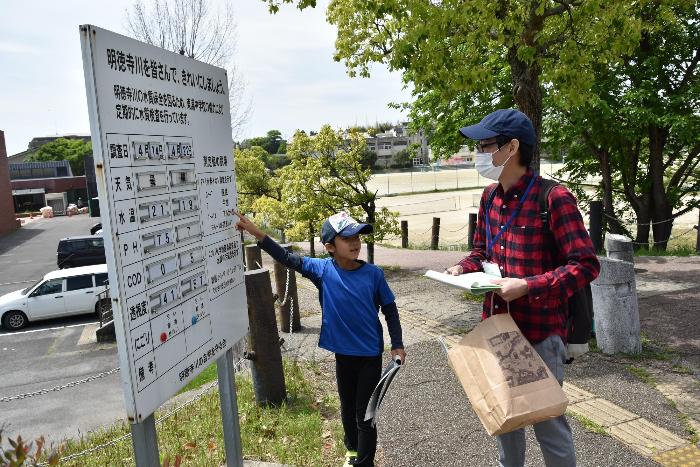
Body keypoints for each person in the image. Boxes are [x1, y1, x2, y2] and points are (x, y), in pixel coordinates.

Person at [445, 109, 600, 467]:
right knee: (504, 418)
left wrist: (529, 286)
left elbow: (586, 264)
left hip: (542, 331)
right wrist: (461, 268)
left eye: (485, 145)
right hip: (497, 328)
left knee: (548, 422)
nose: (479, 153)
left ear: (511, 147)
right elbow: (481, 250)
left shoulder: (554, 198)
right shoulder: (488, 197)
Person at [235, 210, 406, 467]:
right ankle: (352, 452)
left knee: (365, 415)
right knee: (347, 409)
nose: (355, 242)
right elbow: (287, 258)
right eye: (347, 238)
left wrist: (398, 345)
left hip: (370, 356)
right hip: (343, 355)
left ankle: (365, 463)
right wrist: (258, 234)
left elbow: (390, 310)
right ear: (330, 246)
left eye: (357, 236)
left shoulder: (374, 275)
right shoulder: (323, 270)